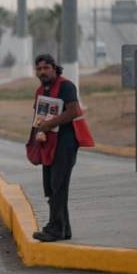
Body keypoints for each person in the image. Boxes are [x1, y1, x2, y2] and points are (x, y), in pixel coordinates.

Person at [31, 54, 81, 242]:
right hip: (48, 143)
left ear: (54, 68)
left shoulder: (66, 86)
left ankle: (55, 228)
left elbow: (74, 111)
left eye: (46, 68)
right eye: (39, 69)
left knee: (58, 186)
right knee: (51, 186)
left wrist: (49, 124)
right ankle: (64, 229)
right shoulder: (41, 90)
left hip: (66, 143)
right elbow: (38, 116)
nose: (42, 72)